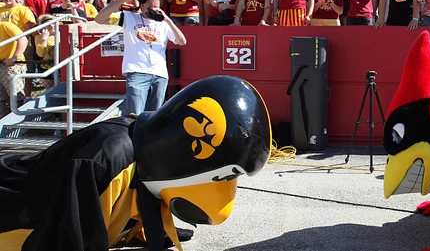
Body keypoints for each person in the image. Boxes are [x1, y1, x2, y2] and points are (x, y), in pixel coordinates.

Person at [0, 75, 271, 251]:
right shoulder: (104, 160)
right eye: (225, 176)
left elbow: (138, 192)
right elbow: (68, 236)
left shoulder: (142, 148)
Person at [94, 0, 186, 115]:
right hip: (137, 71)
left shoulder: (163, 24)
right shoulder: (128, 17)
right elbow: (99, 19)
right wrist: (120, 1)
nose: (154, 10)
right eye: (151, 7)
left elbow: (182, 41)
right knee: (134, 115)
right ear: (142, 6)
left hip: (159, 74)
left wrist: (167, 20)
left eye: (157, 8)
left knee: (154, 118)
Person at [0, 21, 27, 116]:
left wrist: (14, 58)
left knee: (16, 96)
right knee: (2, 101)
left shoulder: (4, 25)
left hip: (11, 66)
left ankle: (21, 124)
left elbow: (23, 39)